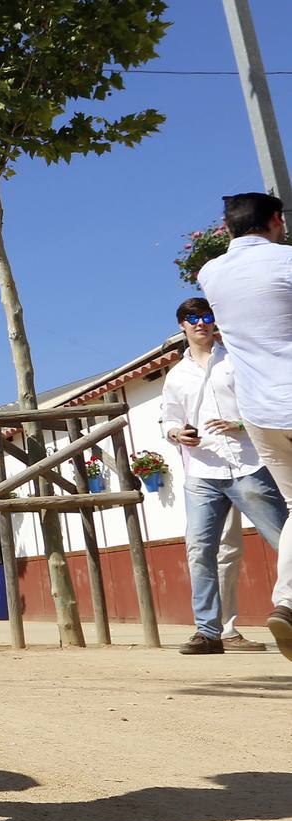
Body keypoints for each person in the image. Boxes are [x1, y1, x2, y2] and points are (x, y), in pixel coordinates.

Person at [198, 192, 292, 661]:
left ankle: (289, 603)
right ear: (276, 220)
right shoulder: (287, 262)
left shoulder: (209, 273)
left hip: (259, 413)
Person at [162, 297, 285, 653]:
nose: (200, 322)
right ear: (182, 325)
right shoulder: (176, 376)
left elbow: (266, 401)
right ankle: (208, 632)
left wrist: (241, 424)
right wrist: (176, 434)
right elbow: (169, 417)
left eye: (206, 316)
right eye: (192, 318)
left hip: (249, 464)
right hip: (202, 471)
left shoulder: (237, 361)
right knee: (200, 549)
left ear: (214, 321)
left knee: (282, 539)